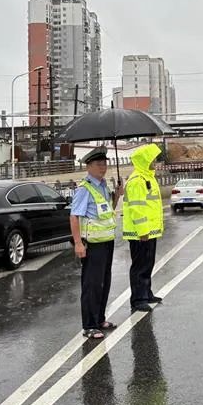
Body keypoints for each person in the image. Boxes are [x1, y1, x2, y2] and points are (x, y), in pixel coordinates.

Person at [69, 146, 123, 340]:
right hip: (92, 244)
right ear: (89, 166)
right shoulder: (84, 188)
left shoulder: (102, 186)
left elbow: (108, 210)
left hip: (107, 242)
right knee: (92, 285)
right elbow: (74, 217)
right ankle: (89, 325)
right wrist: (78, 243)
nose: (103, 167)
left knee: (104, 283)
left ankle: (100, 319)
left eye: (105, 163)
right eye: (99, 164)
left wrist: (117, 194)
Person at [123, 143, 164, 313]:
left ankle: (146, 293)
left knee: (148, 264)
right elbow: (137, 208)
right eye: (153, 159)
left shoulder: (148, 178)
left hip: (149, 231)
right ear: (145, 160)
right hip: (141, 233)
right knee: (140, 266)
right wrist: (143, 231)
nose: (155, 162)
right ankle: (138, 299)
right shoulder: (137, 181)